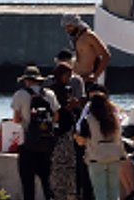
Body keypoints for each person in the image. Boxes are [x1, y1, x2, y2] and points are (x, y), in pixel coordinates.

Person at [13, 65, 61, 200]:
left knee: (28, 183)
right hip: (46, 143)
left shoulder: (20, 94)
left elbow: (16, 119)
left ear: (26, 80)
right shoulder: (49, 94)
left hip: (27, 144)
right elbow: (56, 117)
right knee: (47, 181)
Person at [75, 90, 126, 200]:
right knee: (114, 191)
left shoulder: (88, 120)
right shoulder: (115, 118)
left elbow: (81, 141)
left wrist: (76, 137)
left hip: (96, 158)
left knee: (100, 192)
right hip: (115, 157)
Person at [49, 62, 86, 200]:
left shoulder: (67, 89)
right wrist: (69, 107)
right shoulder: (54, 91)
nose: (69, 78)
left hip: (70, 130)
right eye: (67, 75)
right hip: (60, 132)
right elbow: (57, 111)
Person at [62, 15, 111, 85]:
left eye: (70, 26)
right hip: (76, 78)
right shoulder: (74, 38)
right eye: (65, 27)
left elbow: (106, 55)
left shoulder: (89, 36)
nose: (67, 30)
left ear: (76, 24)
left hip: (87, 79)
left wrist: (95, 76)